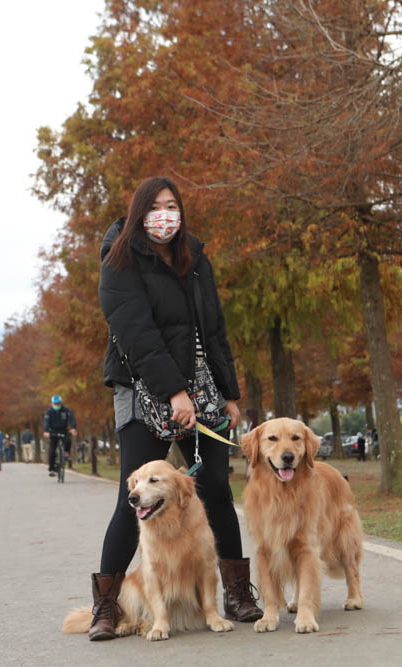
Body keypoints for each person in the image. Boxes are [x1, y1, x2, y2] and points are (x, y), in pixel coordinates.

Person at [88, 177, 262, 640]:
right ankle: (106, 607)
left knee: (216, 492)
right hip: (143, 391)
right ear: (139, 212)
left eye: (173, 205)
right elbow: (136, 334)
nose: (166, 214)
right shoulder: (119, 261)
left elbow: (214, 329)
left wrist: (228, 392)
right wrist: (173, 392)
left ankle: (237, 593)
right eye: (157, 206)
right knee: (137, 502)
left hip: (201, 390)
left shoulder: (194, 258)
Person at [43, 395, 77, 476]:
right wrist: (46, 431)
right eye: (55, 404)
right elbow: (46, 422)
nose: (57, 405)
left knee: (68, 440)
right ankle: (51, 469)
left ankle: (66, 453)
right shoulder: (49, 411)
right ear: (52, 404)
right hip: (53, 432)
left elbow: (72, 419)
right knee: (51, 451)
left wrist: (73, 428)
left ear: (61, 403)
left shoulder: (66, 410)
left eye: (58, 404)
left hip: (63, 430)